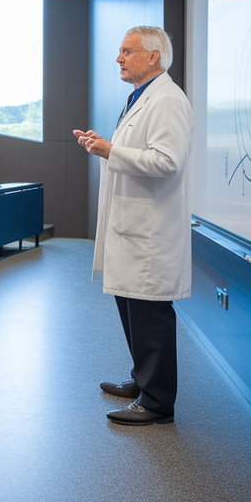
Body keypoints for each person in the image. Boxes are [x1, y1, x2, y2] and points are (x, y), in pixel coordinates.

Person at [74, 25, 193, 426]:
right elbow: (136, 153)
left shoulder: (168, 101)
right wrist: (106, 146)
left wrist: (111, 149)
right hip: (133, 228)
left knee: (150, 312)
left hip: (150, 231)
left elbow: (166, 161)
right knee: (131, 307)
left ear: (153, 56)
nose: (119, 58)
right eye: (120, 51)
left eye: (127, 51)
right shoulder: (140, 97)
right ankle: (143, 380)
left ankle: (157, 401)